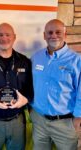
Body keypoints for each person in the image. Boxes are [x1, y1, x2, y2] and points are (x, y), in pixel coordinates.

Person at [30, 19, 81, 150]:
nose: (53, 35)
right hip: (39, 121)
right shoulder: (36, 57)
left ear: (65, 34)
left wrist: (78, 116)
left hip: (65, 123)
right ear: (44, 36)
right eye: (50, 32)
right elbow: (29, 83)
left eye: (58, 32)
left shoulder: (76, 60)